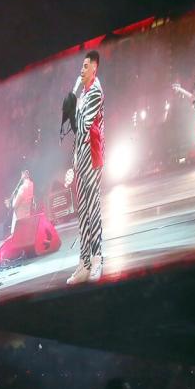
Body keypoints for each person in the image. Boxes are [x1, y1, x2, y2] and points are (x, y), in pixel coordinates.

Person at [67, 51, 105, 285]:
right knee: (82, 211)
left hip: (92, 156)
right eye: (81, 66)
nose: (81, 70)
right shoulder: (84, 92)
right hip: (81, 156)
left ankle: (97, 258)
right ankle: (84, 262)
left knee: (92, 208)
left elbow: (81, 127)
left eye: (85, 66)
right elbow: (75, 131)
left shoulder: (95, 93)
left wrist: (73, 107)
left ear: (94, 69)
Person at [5, 170, 33, 234]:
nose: (21, 177)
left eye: (22, 175)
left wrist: (10, 202)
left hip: (20, 219)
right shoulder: (31, 184)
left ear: (24, 174)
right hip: (27, 215)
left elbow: (15, 205)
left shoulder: (23, 188)